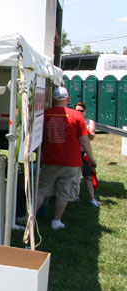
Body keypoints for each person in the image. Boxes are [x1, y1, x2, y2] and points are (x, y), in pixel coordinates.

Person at [33, 87, 96, 230]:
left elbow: (37, 138)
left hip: (49, 160)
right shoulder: (77, 116)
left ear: (53, 99)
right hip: (71, 161)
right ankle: (56, 221)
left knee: (42, 190)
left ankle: (30, 218)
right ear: (67, 99)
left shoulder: (44, 114)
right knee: (64, 192)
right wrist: (91, 159)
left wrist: (39, 155)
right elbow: (84, 140)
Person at [74, 102, 100, 207]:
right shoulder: (73, 120)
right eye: (77, 110)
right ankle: (75, 195)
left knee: (88, 176)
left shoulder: (90, 122)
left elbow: (92, 136)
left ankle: (92, 198)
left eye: (81, 110)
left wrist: (83, 128)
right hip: (75, 152)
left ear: (85, 111)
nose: (79, 112)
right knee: (75, 175)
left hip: (85, 153)